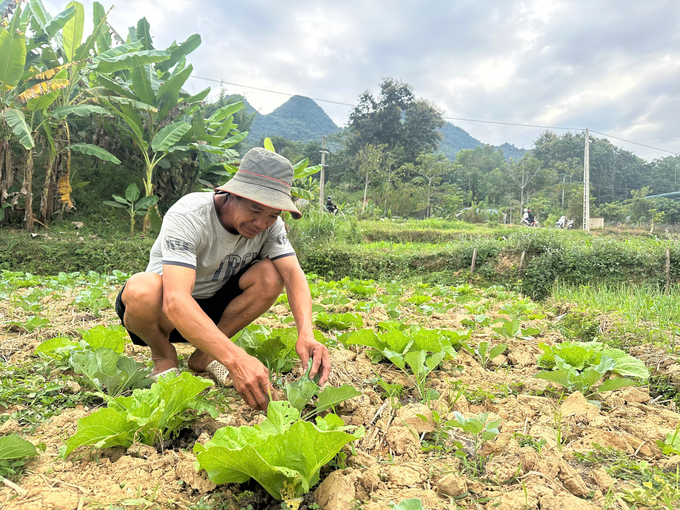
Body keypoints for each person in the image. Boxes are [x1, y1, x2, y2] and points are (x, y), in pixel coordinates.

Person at [114, 147, 331, 411]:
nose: (261, 223)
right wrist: (237, 359)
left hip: (214, 309)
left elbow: (293, 274)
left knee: (271, 274)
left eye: (272, 214)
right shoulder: (190, 215)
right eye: (255, 209)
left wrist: (306, 333)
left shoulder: (270, 226)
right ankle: (163, 356)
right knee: (141, 288)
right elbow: (175, 300)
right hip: (164, 312)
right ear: (232, 194)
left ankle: (204, 356)